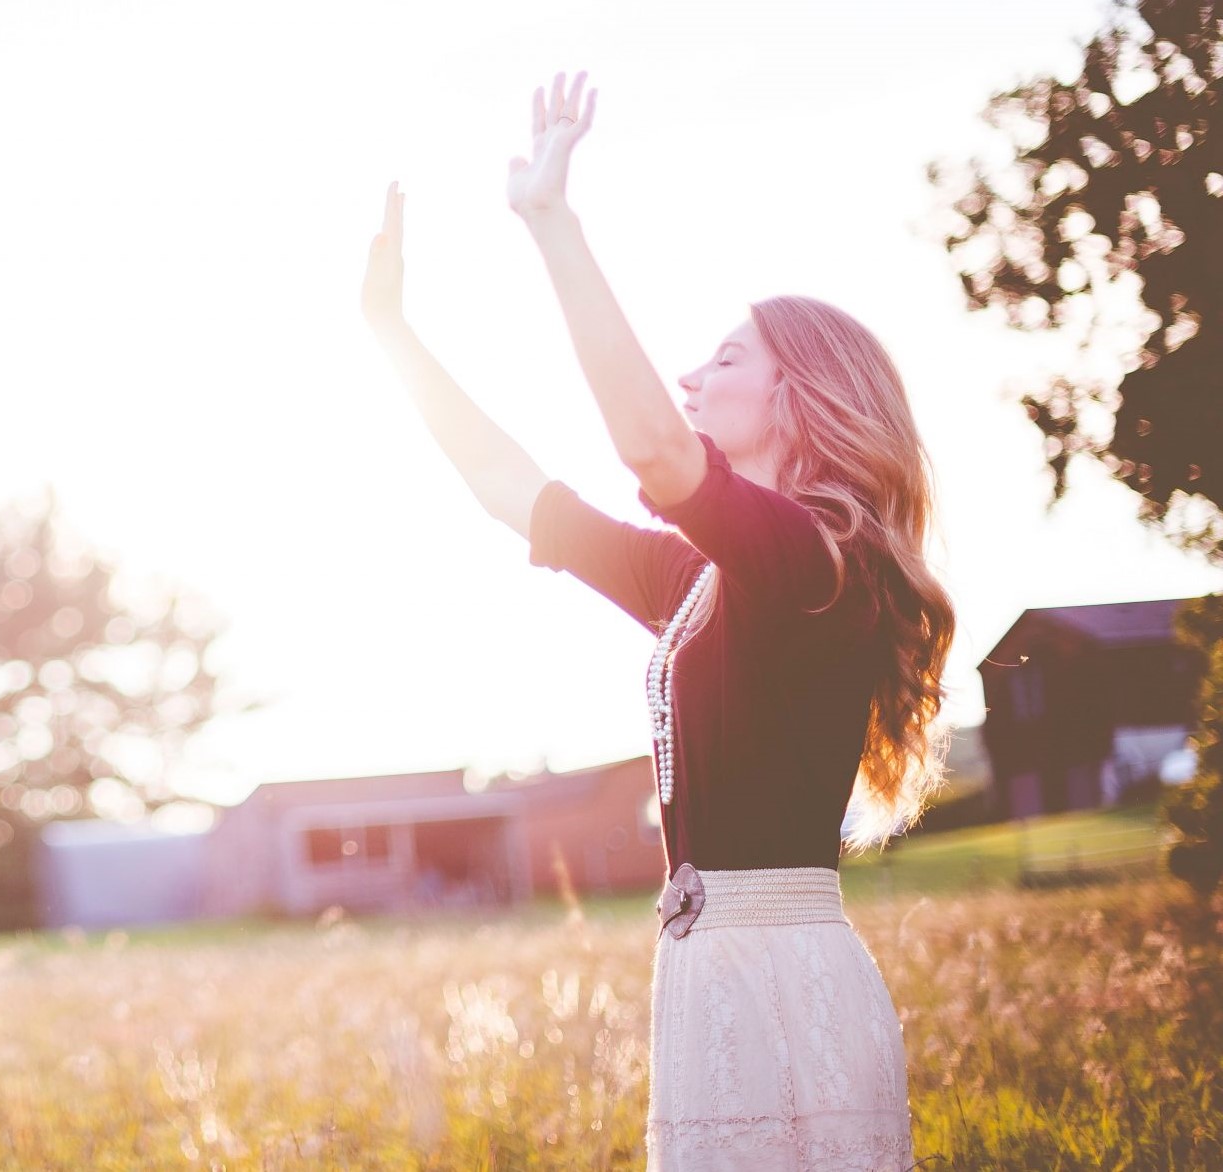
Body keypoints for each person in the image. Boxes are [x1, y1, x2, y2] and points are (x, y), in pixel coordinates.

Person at [360, 71, 956, 1171]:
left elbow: (650, 450)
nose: (691, 376)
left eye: (727, 359)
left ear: (802, 398)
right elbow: (514, 490)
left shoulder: (817, 564)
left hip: (782, 978)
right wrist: (392, 334)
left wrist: (552, 222)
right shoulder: (704, 574)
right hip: (708, 972)